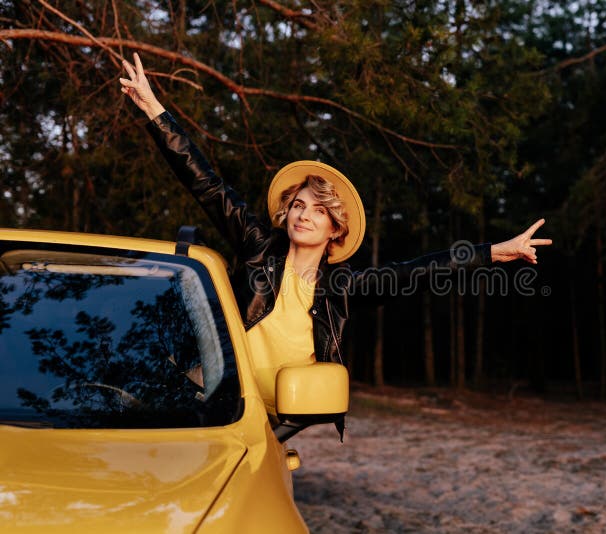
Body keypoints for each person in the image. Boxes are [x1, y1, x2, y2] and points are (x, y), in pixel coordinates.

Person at [119, 53, 552, 433]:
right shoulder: (257, 247)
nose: (305, 214)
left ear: (335, 230)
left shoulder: (344, 287)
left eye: (320, 211)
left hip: (273, 423)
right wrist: (155, 109)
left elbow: (420, 271)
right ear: (287, 212)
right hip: (211, 401)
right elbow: (208, 186)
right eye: (299, 205)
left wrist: (497, 252)